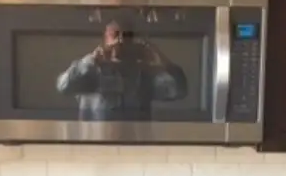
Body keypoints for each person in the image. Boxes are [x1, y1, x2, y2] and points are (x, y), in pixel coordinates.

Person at [56, 20, 188, 121]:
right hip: (96, 143)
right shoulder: (91, 71)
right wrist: (90, 60)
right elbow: (63, 86)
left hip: (135, 144)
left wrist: (158, 56)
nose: (120, 40)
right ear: (105, 38)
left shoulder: (143, 73)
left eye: (126, 35)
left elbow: (179, 90)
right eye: (115, 34)